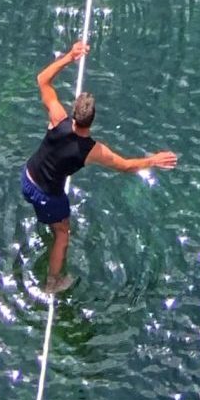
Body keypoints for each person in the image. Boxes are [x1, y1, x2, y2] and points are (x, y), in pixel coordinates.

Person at [20, 40, 177, 294]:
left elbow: (42, 80)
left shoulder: (57, 117)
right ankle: (52, 282)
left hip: (26, 179)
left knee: (51, 216)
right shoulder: (93, 150)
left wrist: (69, 56)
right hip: (48, 195)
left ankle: (48, 222)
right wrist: (154, 160)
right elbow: (125, 166)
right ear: (92, 121)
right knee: (62, 233)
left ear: (73, 112)